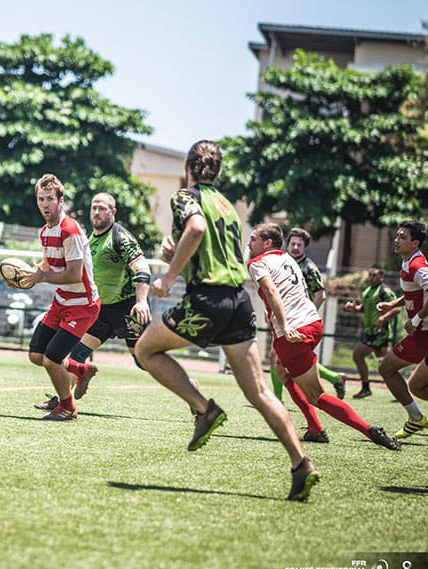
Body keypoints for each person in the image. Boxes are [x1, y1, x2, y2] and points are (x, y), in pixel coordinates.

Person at [135, 140, 319, 501]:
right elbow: (214, 251)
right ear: (219, 170)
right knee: (260, 392)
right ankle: (301, 463)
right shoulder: (228, 206)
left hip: (208, 299)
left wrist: (169, 275)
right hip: (238, 300)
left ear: (188, 166)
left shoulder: (187, 196)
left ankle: (204, 409)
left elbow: (198, 230)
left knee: (145, 350)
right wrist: (180, 258)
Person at [246, 224, 400, 450]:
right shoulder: (289, 260)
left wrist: (286, 326)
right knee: (279, 369)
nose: (249, 243)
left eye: (253, 239)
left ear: (267, 243)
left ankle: (368, 430)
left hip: (293, 334)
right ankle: (315, 429)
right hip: (313, 323)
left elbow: (271, 292)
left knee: (316, 396)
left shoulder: (257, 262)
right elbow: (306, 293)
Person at [33, 192, 151, 411]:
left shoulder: (120, 237)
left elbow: (142, 267)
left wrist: (142, 301)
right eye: (94, 208)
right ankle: (63, 400)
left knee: (144, 360)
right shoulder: (89, 239)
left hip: (127, 310)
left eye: (102, 208)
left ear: (113, 212)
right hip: (101, 310)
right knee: (76, 353)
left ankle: (189, 385)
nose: (97, 212)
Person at [19, 174, 100, 421]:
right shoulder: (45, 232)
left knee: (51, 359)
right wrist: (30, 274)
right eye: (41, 199)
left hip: (83, 306)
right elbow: (49, 266)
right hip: (61, 302)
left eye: (50, 199)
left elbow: (75, 274)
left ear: (60, 201)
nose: (45, 204)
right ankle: (81, 370)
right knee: (36, 355)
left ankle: (67, 407)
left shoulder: (70, 230)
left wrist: (42, 278)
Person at [268, 227, 347, 400]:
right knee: (291, 359)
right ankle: (335, 378)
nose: (295, 247)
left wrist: (305, 316)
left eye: (299, 244)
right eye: (293, 243)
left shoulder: (309, 268)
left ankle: (277, 399)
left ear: (305, 247)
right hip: (285, 320)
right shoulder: (284, 262)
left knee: (277, 356)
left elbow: (321, 295)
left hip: (299, 322)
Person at [375, 220, 428, 439]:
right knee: (418, 387)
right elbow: (414, 293)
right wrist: (392, 305)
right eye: (396, 236)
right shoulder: (409, 262)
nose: (396, 240)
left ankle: (416, 419)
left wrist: (416, 319)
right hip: (423, 333)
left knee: (387, 369)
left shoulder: (418, 266)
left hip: (426, 333)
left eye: (402, 238)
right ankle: (416, 418)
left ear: (414, 243)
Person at [342, 265, 397, 398]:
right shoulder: (368, 290)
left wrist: (383, 318)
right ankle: (399, 392)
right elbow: (365, 308)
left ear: (381, 277)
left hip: (378, 332)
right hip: (370, 331)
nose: (371, 277)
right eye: (370, 274)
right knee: (385, 365)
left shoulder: (385, 291)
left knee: (358, 355)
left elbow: (396, 308)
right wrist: (354, 308)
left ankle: (366, 388)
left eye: (374, 275)